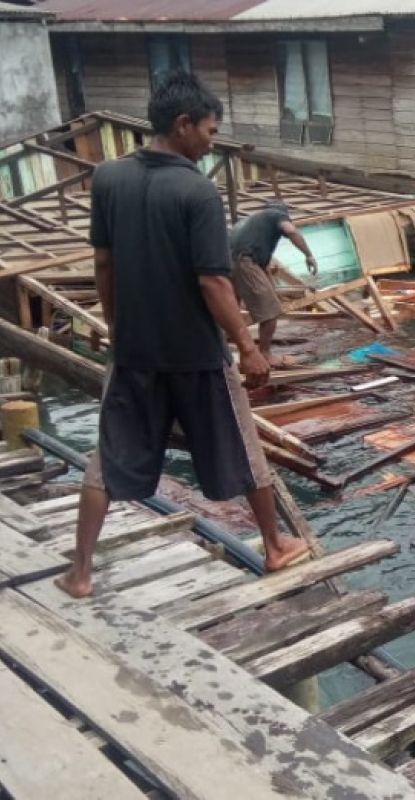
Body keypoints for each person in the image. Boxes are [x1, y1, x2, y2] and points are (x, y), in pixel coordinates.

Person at [55, 72, 309, 598]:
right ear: (183, 124)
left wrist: (116, 324)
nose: (211, 142)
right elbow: (213, 280)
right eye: (210, 131)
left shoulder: (108, 179)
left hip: (135, 352)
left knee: (106, 459)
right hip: (196, 352)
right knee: (244, 448)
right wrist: (246, 344)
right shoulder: (196, 190)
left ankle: (79, 572)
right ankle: (274, 546)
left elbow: (103, 262)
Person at [229, 202, 317, 366]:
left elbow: (259, 259)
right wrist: (308, 255)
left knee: (231, 311)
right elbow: (290, 230)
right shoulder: (276, 215)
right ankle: (265, 354)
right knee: (270, 312)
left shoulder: (250, 221)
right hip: (245, 263)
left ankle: (231, 351)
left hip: (231, 263)